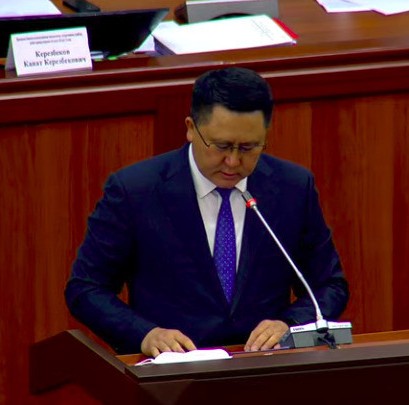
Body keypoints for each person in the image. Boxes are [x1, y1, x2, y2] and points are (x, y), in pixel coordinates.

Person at [65, 67, 348, 357]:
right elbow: (85, 288)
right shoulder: (135, 191)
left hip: (263, 364)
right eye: (221, 146)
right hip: (172, 369)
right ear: (191, 128)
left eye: (249, 147)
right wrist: (146, 334)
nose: (233, 161)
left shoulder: (292, 187)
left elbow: (329, 285)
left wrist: (291, 324)